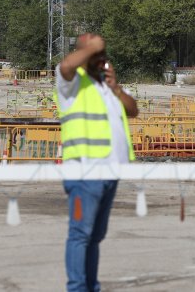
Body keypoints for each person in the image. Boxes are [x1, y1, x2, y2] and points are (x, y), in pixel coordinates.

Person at [55, 33, 139, 292]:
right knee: (81, 234)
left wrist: (117, 88)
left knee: (95, 236)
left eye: (102, 55)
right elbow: (66, 66)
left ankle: (91, 286)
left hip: (110, 171)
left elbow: (133, 110)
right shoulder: (71, 83)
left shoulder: (106, 87)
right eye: (94, 54)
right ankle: (78, 288)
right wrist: (92, 46)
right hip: (85, 171)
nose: (100, 59)